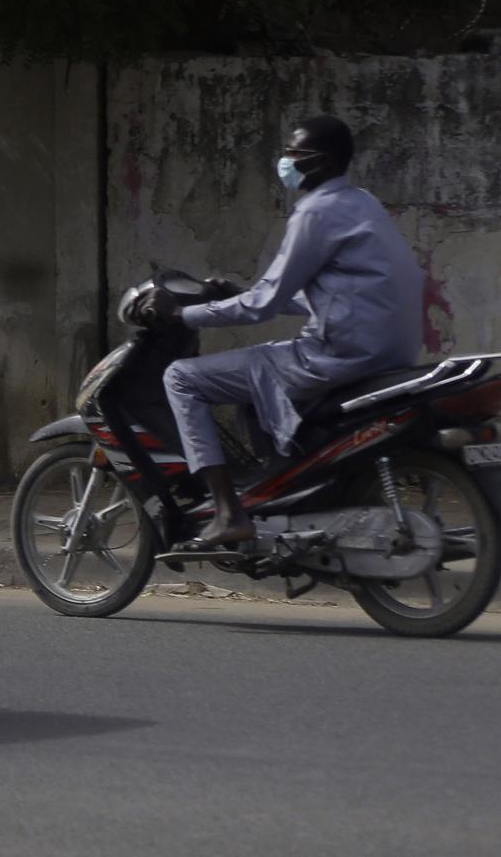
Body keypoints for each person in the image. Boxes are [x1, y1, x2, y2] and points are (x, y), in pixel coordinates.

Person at [148, 114, 425, 547]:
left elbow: (261, 305)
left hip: (337, 356)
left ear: (323, 161)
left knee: (181, 377)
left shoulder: (314, 213)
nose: (286, 161)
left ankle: (227, 514)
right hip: (389, 350)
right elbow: (334, 296)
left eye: (295, 153)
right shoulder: (362, 202)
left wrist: (181, 316)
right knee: (256, 377)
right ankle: (281, 490)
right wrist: (239, 294)